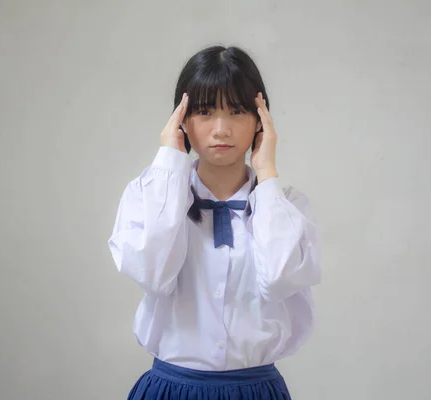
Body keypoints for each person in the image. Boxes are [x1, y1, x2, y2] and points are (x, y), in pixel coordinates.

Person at [108, 45, 321, 399]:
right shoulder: (150, 197)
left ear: (259, 119)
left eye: (236, 111)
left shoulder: (287, 208)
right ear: (181, 120)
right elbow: (153, 273)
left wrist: (267, 175)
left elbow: (281, 279)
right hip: (172, 389)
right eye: (205, 112)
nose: (221, 129)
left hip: (255, 391)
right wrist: (169, 162)